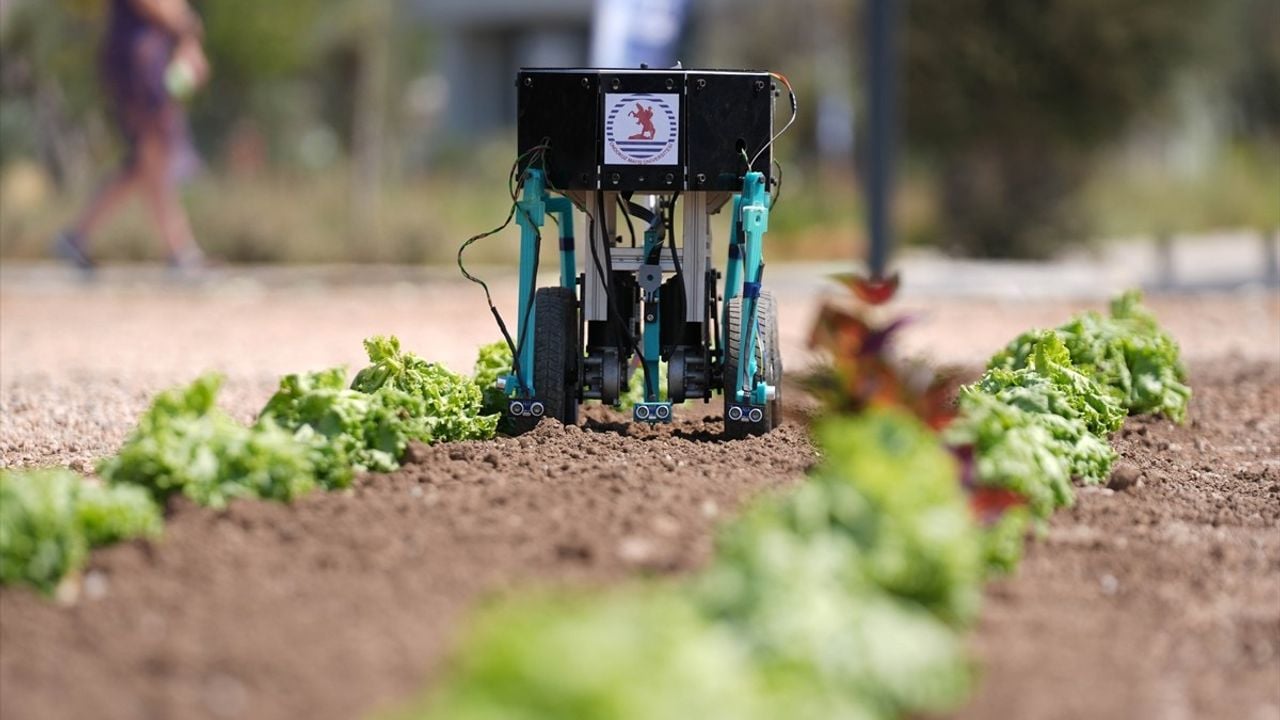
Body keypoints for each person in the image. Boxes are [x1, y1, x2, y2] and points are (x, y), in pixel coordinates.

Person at [55, 0, 210, 272]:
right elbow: (160, 8)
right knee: (155, 155)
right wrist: (188, 30)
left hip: (148, 60)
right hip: (139, 61)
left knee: (145, 162)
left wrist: (189, 43)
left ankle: (76, 236)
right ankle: (180, 251)